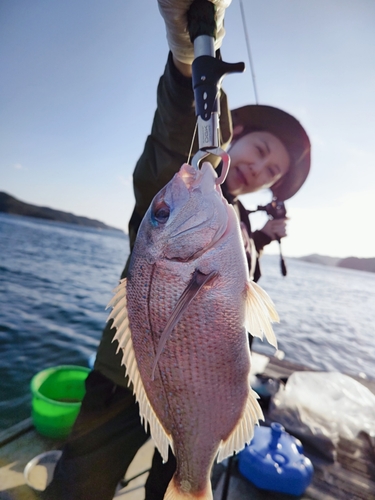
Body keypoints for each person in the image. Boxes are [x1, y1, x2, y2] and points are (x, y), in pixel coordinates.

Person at [44, 1, 310, 499]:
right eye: (260, 151)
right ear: (238, 134)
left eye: (273, 172)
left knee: (168, 486)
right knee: (80, 484)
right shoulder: (186, 178)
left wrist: (264, 238)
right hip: (122, 379)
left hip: (203, 389)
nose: (262, 169)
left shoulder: (231, 223)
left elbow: (235, 287)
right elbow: (180, 118)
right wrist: (188, 56)